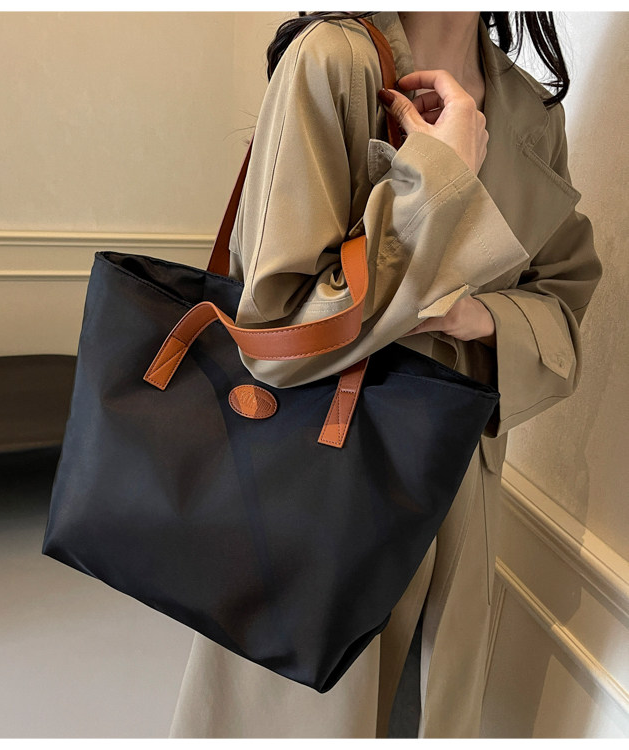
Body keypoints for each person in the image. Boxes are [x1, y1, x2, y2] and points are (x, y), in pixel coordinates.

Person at [169, 10, 602, 738]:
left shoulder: (530, 109)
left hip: (461, 488)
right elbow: (276, 336)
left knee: (427, 710)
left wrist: (483, 317)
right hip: (323, 479)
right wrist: (441, 179)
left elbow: (563, 296)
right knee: (308, 716)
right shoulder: (333, 60)